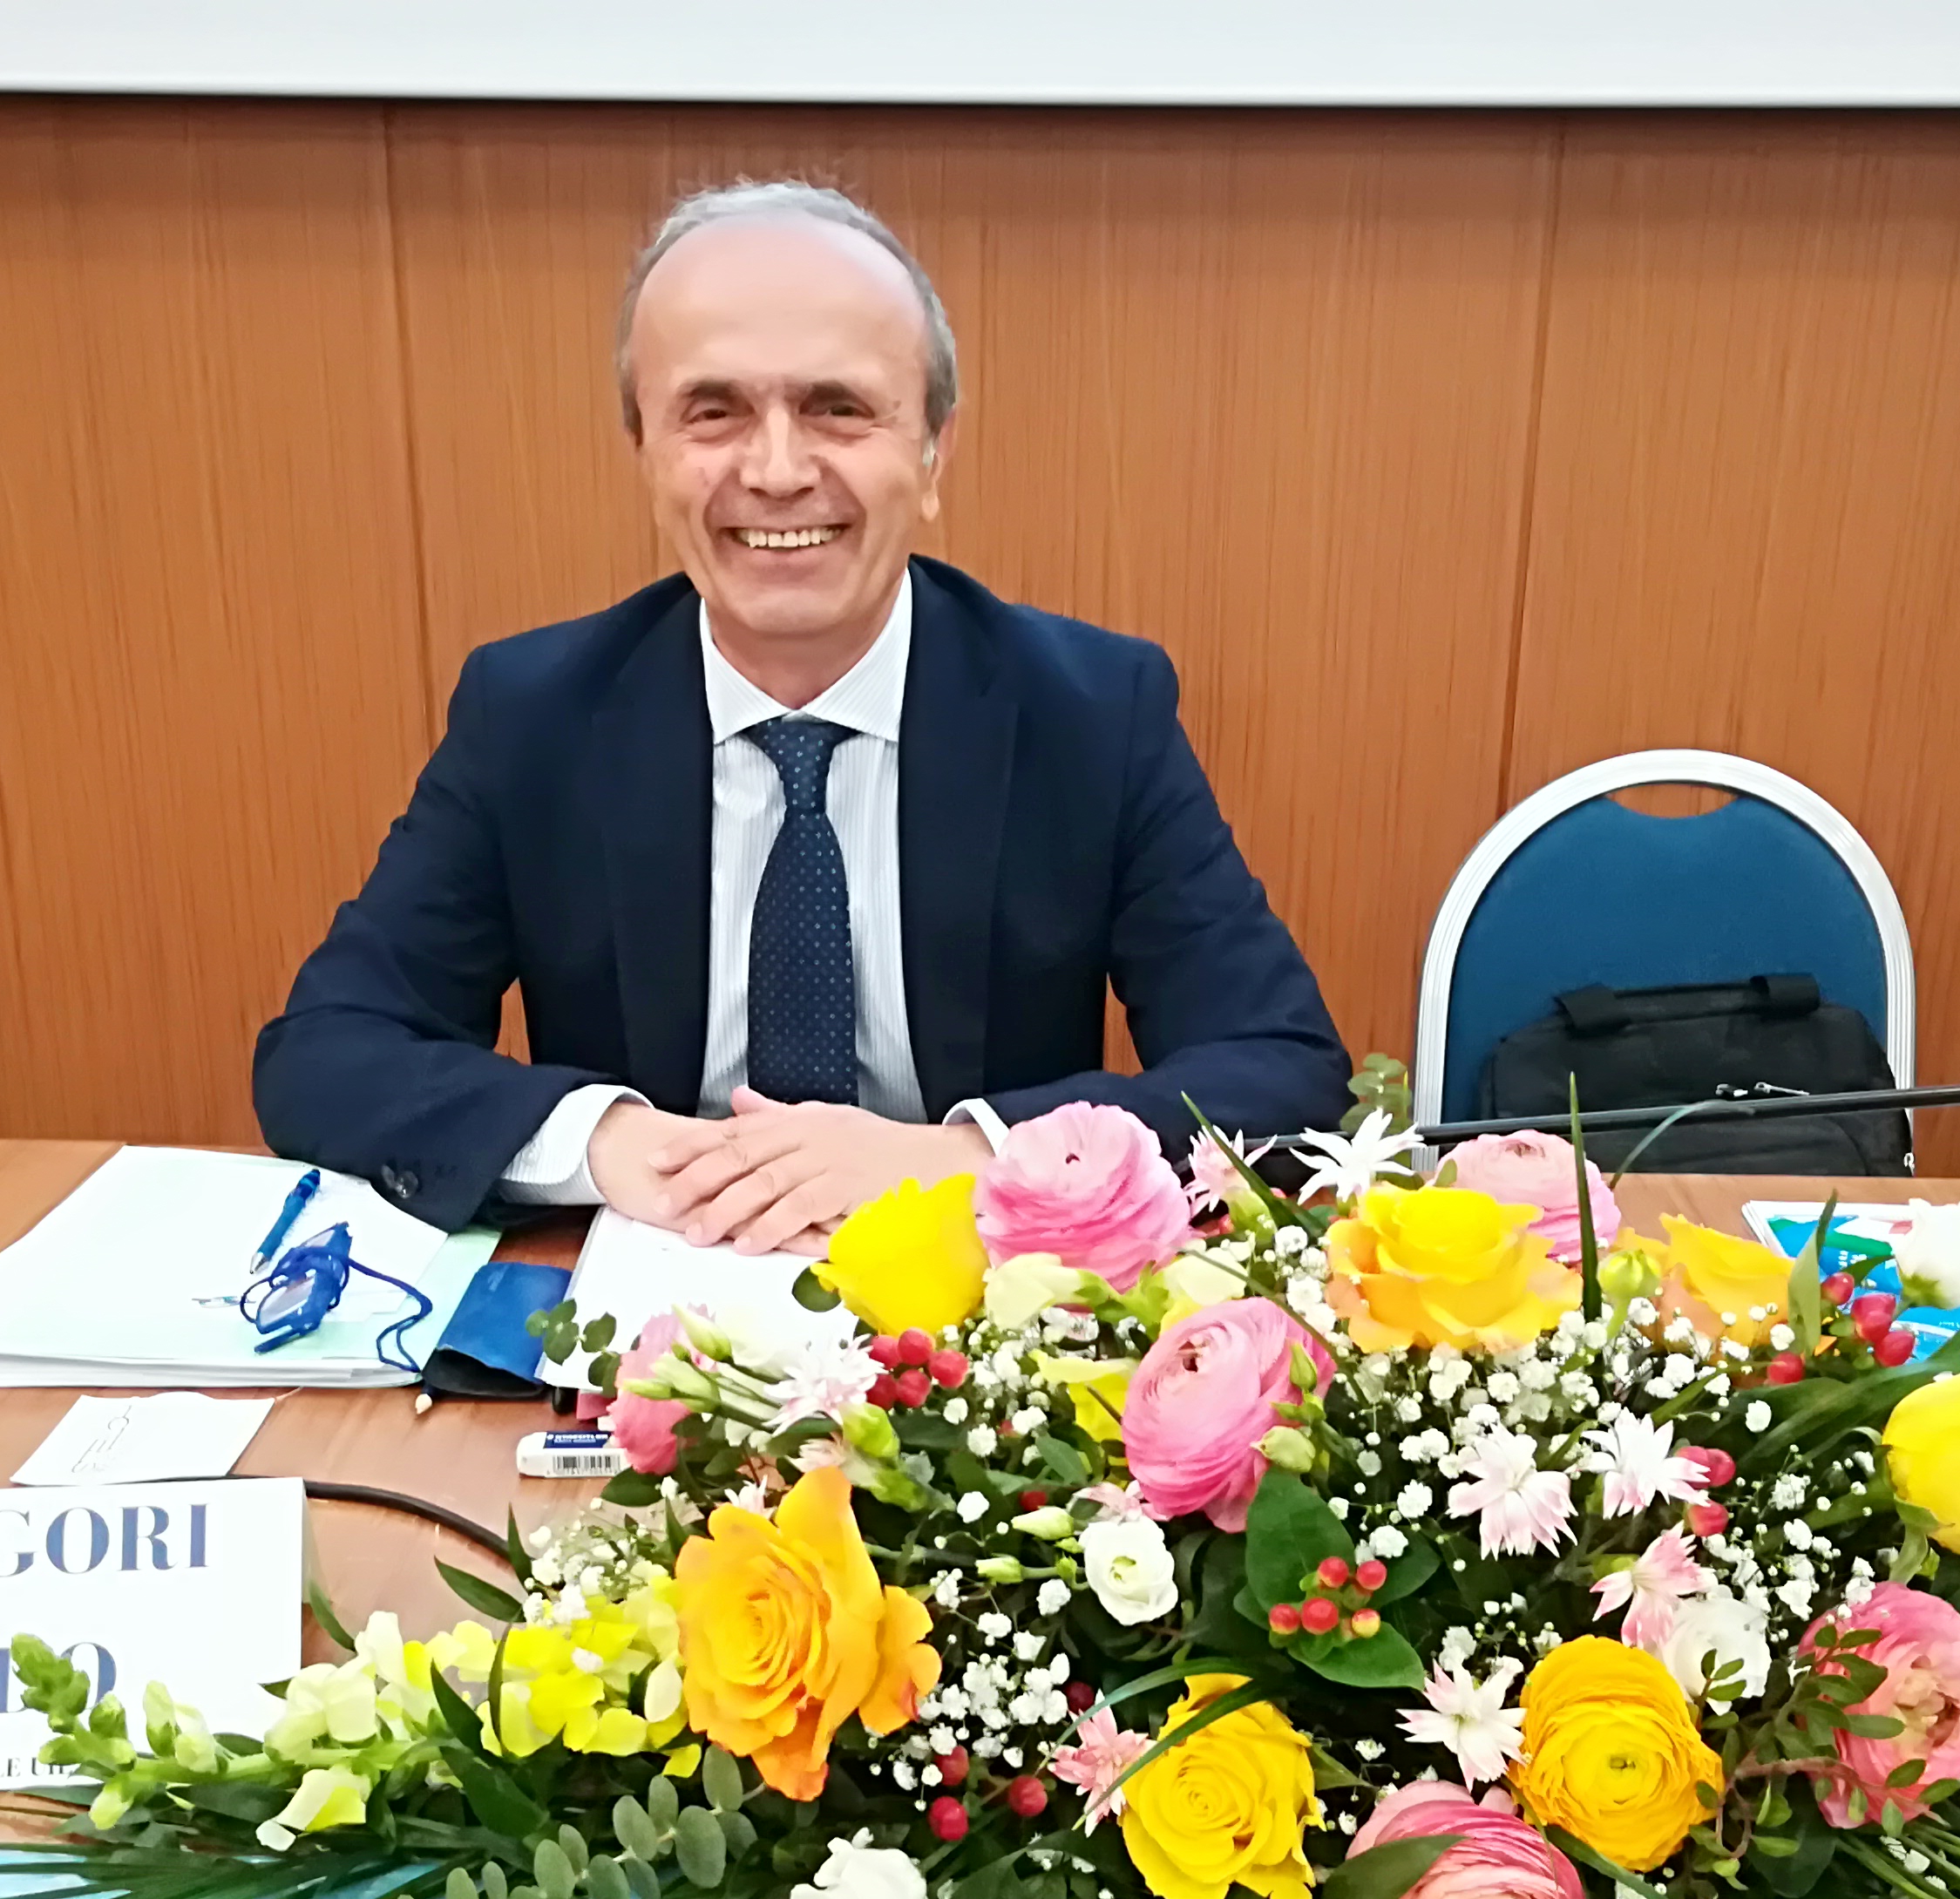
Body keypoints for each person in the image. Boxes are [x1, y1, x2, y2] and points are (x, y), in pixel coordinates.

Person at [254, 180, 1350, 1248]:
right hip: (647, 1285)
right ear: (643, 450)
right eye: (712, 411)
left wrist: (960, 1157)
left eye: (837, 408)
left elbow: (1280, 1068)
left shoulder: (1090, 712)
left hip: (976, 1307)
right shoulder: (534, 715)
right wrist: (609, 1141)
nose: (776, 471)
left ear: (933, 450)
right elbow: (328, 1051)